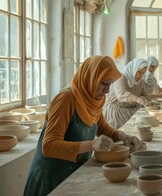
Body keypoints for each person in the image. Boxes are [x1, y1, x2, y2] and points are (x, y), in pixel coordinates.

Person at [23, 55, 142, 196]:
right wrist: (91, 145)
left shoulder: (95, 98)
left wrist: (122, 135)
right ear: (90, 78)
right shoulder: (66, 99)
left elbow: (102, 127)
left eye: (110, 84)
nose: (107, 91)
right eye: (104, 83)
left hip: (73, 173)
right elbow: (49, 146)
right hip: (51, 177)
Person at [103, 57, 150, 129]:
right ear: (134, 68)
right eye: (139, 72)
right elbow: (121, 94)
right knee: (117, 135)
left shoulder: (141, 82)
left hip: (129, 110)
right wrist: (137, 99)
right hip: (115, 112)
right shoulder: (120, 77)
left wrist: (145, 98)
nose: (140, 75)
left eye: (143, 73)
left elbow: (145, 94)